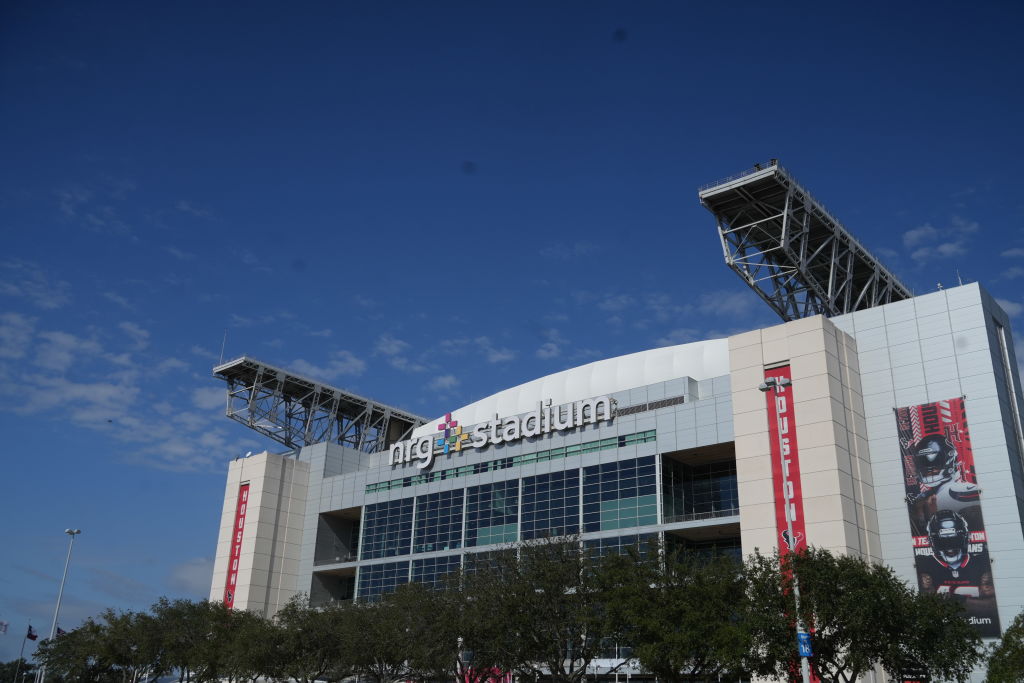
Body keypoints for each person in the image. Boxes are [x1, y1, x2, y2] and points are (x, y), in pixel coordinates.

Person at [905, 434, 981, 533]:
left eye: (935, 461)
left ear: (950, 459)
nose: (929, 468)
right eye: (924, 462)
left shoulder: (958, 492)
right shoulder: (921, 498)